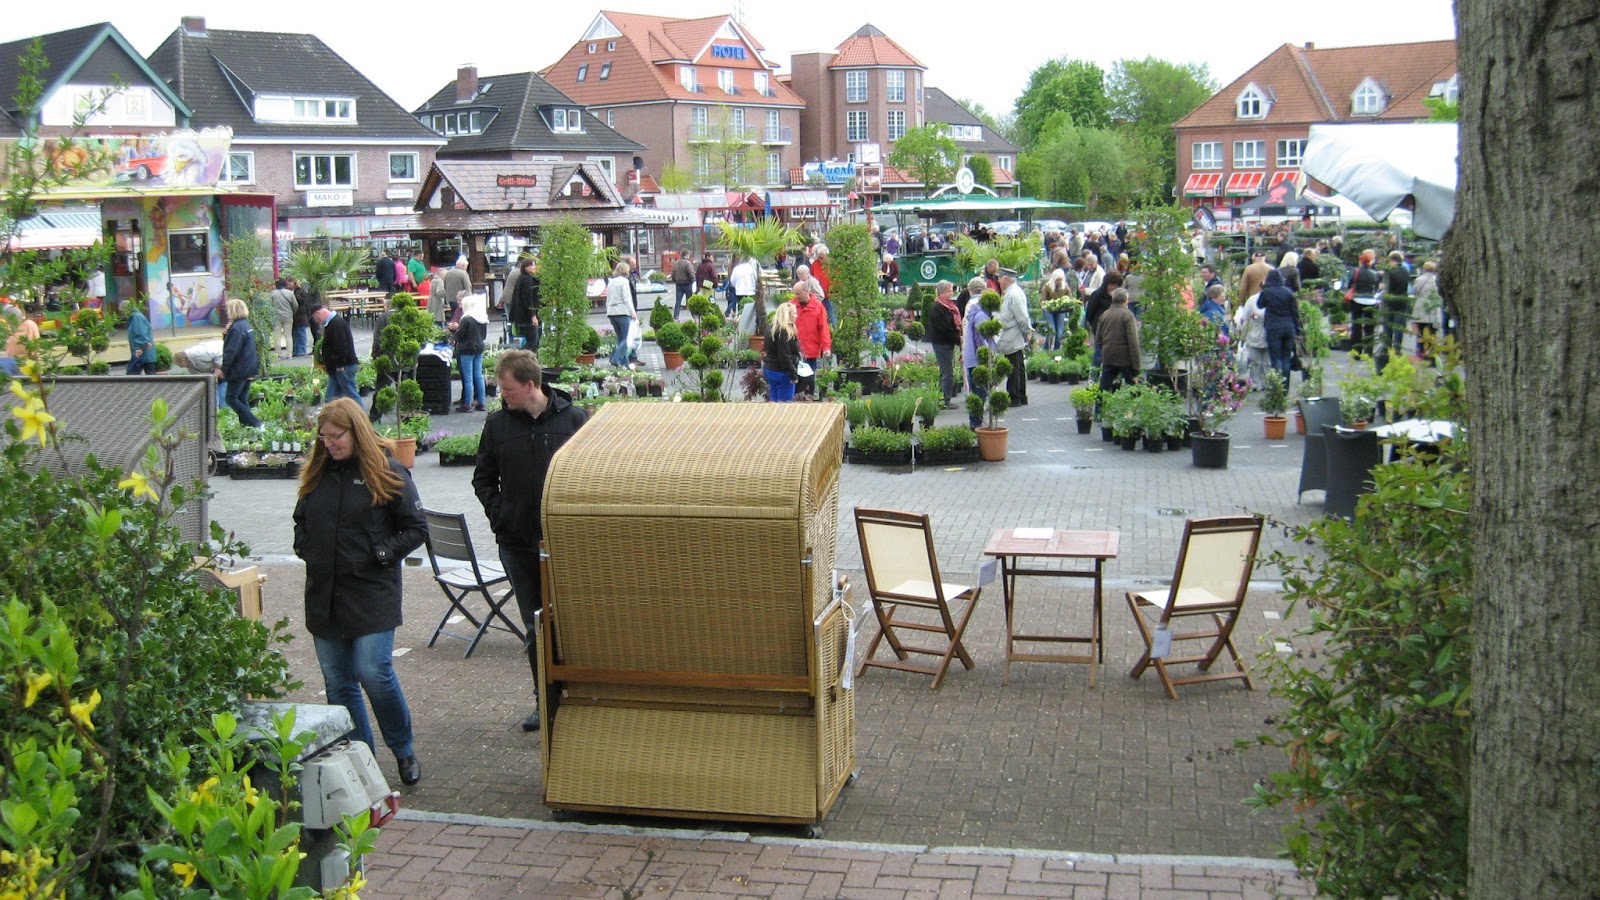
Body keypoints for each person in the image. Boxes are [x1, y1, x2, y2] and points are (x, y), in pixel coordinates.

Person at [293, 398, 427, 786]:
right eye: (324, 437)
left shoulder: (387, 469)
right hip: (324, 592)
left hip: (371, 591)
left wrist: (381, 554)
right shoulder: (318, 471)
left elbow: (416, 528)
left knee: (373, 672)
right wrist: (306, 547)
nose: (329, 443)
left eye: (337, 436)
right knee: (338, 682)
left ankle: (402, 748)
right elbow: (301, 520)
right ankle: (362, 759)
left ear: (356, 432)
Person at [472, 350, 588, 732]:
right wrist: (500, 515)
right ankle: (545, 703)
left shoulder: (574, 420)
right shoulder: (497, 425)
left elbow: (588, 474)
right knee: (535, 626)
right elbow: (482, 479)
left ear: (531, 385)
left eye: (507, 389)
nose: (502, 395)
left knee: (572, 624)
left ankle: (579, 697)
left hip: (565, 546)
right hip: (518, 544)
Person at [215, 298, 262, 426]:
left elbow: (231, 351)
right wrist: (226, 334)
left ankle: (256, 423)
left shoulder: (236, 328)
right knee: (241, 398)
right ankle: (246, 425)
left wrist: (224, 369)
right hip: (249, 366)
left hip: (239, 368)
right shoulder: (246, 325)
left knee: (231, 398)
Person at [995, 270, 1033, 407]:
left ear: (1007, 279)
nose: (998, 281)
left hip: (1013, 335)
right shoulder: (1011, 292)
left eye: (1000, 278)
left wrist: (1027, 331)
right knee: (1017, 366)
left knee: (1014, 367)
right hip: (1012, 334)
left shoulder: (1014, 294)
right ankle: (1021, 396)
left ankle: (1015, 397)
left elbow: (1022, 315)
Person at [962, 282, 996, 429]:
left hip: (971, 358)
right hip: (978, 360)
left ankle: (975, 423)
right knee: (980, 393)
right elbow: (981, 339)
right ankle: (976, 424)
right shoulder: (981, 315)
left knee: (976, 393)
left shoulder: (975, 311)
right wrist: (988, 357)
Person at [312, 303, 362, 405]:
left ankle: (361, 414)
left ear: (318, 314)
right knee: (331, 397)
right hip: (338, 367)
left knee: (351, 395)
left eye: (315, 318)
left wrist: (340, 364)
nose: (317, 322)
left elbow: (341, 345)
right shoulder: (334, 322)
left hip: (343, 367)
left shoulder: (336, 323)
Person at [1259, 267, 1301, 385]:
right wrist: (1297, 329)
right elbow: (1295, 312)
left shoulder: (1267, 292)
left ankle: (1277, 386)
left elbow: (1259, 305)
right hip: (1288, 326)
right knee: (1286, 357)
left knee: (1276, 358)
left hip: (1273, 327)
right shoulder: (1288, 292)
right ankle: (1285, 386)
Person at [1095, 288, 1141, 395]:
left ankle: (1099, 406)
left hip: (1108, 356)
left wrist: (1106, 349)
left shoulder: (1105, 315)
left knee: (1104, 389)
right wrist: (1136, 365)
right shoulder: (1128, 315)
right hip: (1125, 359)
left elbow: (1098, 339)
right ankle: (1135, 406)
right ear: (1126, 300)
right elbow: (1133, 341)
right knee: (1134, 389)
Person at [926, 279, 963, 408]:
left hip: (946, 342)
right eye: (949, 291)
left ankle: (942, 397)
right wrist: (958, 339)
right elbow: (944, 328)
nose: (951, 293)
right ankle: (945, 400)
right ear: (941, 292)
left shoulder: (948, 306)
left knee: (945, 371)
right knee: (947, 372)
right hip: (942, 343)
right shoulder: (938, 308)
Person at [791, 282, 830, 399]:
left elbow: (824, 328)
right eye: (795, 293)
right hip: (794, 350)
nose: (796, 296)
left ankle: (809, 400)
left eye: (798, 294)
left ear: (807, 291)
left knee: (809, 379)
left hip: (810, 350)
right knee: (795, 378)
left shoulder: (818, 306)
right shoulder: (791, 305)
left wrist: (826, 347)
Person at [451, 293, 488, 412]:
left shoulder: (466, 319)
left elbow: (459, 336)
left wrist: (453, 334)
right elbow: (484, 335)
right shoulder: (482, 317)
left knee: (468, 378)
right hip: (479, 348)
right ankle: (481, 403)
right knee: (478, 376)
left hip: (467, 349)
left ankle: (467, 404)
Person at [761, 300, 801, 402]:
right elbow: (784, 355)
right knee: (785, 405)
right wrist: (793, 375)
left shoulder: (771, 328)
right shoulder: (783, 331)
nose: (797, 316)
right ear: (787, 315)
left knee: (774, 401)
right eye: (794, 313)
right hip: (782, 371)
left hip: (770, 369)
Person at [1232, 288, 1270, 389]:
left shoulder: (1256, 299)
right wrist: (1243, 336)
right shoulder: (1253, 300)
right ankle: (1257, 383)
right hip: (1257, 334)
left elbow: (1245, 319)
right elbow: (1245, 319)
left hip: (1266, 334)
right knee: (1256, 361)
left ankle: (1266, 383)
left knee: (1266, 362)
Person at [1349, 250, 1383, 355]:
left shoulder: (1355, 271)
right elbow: (1376, 288)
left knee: (1356, 326)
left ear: (1360, 261)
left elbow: (1349, 284)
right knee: (1369, 327)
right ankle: (1369, 352)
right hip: (1371, 301)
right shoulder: (1375, 274)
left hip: (1357, 300)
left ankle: (1357, 352)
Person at [605, 262, 635, 369]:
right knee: (628, 339)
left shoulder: (611, 282)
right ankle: (615, 359)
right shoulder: (624, 282)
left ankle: (624, 364)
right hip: (622, 312)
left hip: (611, 313)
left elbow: (608, 299)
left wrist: (608, 310)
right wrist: (633, 313)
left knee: (621, 338)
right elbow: (627, 299)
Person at [1411, 260, 1443, 359]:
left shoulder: (1419, 279)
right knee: (1432, 332)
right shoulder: (1438, 280)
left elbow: (1415, 291)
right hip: (1433, 308)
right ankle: (1431, 354)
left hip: (1420, 308)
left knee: (1420, 332)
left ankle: (1420, 352)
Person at [507, 257, 540, 350]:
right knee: (532, 343)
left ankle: (526, 357)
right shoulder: (527, 280)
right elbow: (528, 299)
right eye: (532, 265)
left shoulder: (522, 278)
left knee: (532, 341)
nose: (534, 267)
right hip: (526, 317)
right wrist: (533, 316)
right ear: (526, 267)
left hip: (522, 316)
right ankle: (520, 357)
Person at [2, 301, 42, 376]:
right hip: (19, 364)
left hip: (11, 363)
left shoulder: (17, 327)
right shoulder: (29, 324)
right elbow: (35, 349)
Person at [122, 300, 157, 375]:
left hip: (142, 352)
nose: (124, 314)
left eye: (123, 311)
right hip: (144, 352)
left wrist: (139, 348)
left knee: (133, 375)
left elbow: (141, 333)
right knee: (150, 374)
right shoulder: (136, 316)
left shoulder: (137, 317)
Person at [269, 278, 296, 359]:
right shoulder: (290, 293)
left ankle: (278, 354)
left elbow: (270, 305)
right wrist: (292, 312)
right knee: (288, 336)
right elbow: (295, 305)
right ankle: (289, 354)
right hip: (288, 316)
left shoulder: (273, 293)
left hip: (276, 316)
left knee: (277, 336)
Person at [291, 277, 316, 357]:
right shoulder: (296, 291)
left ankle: (301, 350)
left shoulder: (302, 291)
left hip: (301, 314)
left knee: (301, 332)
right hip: (298, 314)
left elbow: (304, 301)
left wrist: (295, 298)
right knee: (297, 333)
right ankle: (297, 350)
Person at [442, 259, 472, 324]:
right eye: (466, 266)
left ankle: (453, 326)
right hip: (462, 299)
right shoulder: (463, 273)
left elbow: (445, 285)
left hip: (450, 298)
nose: (466, 268)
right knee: (461, 315)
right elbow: (468, 287)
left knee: (454, 314)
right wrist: (470, 298)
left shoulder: (448, 273)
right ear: (462, 265)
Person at [671, 253, 695, 317]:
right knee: (690, 301)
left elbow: (672, 275)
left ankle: (676, 316)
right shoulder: (688, 263)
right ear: (687, 255)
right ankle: (694, 316)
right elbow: (691, 274)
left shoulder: (676, 263)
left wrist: (676, 281)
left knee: (678, 302)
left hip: (678, 285)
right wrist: (692, 281)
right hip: (687, 284)